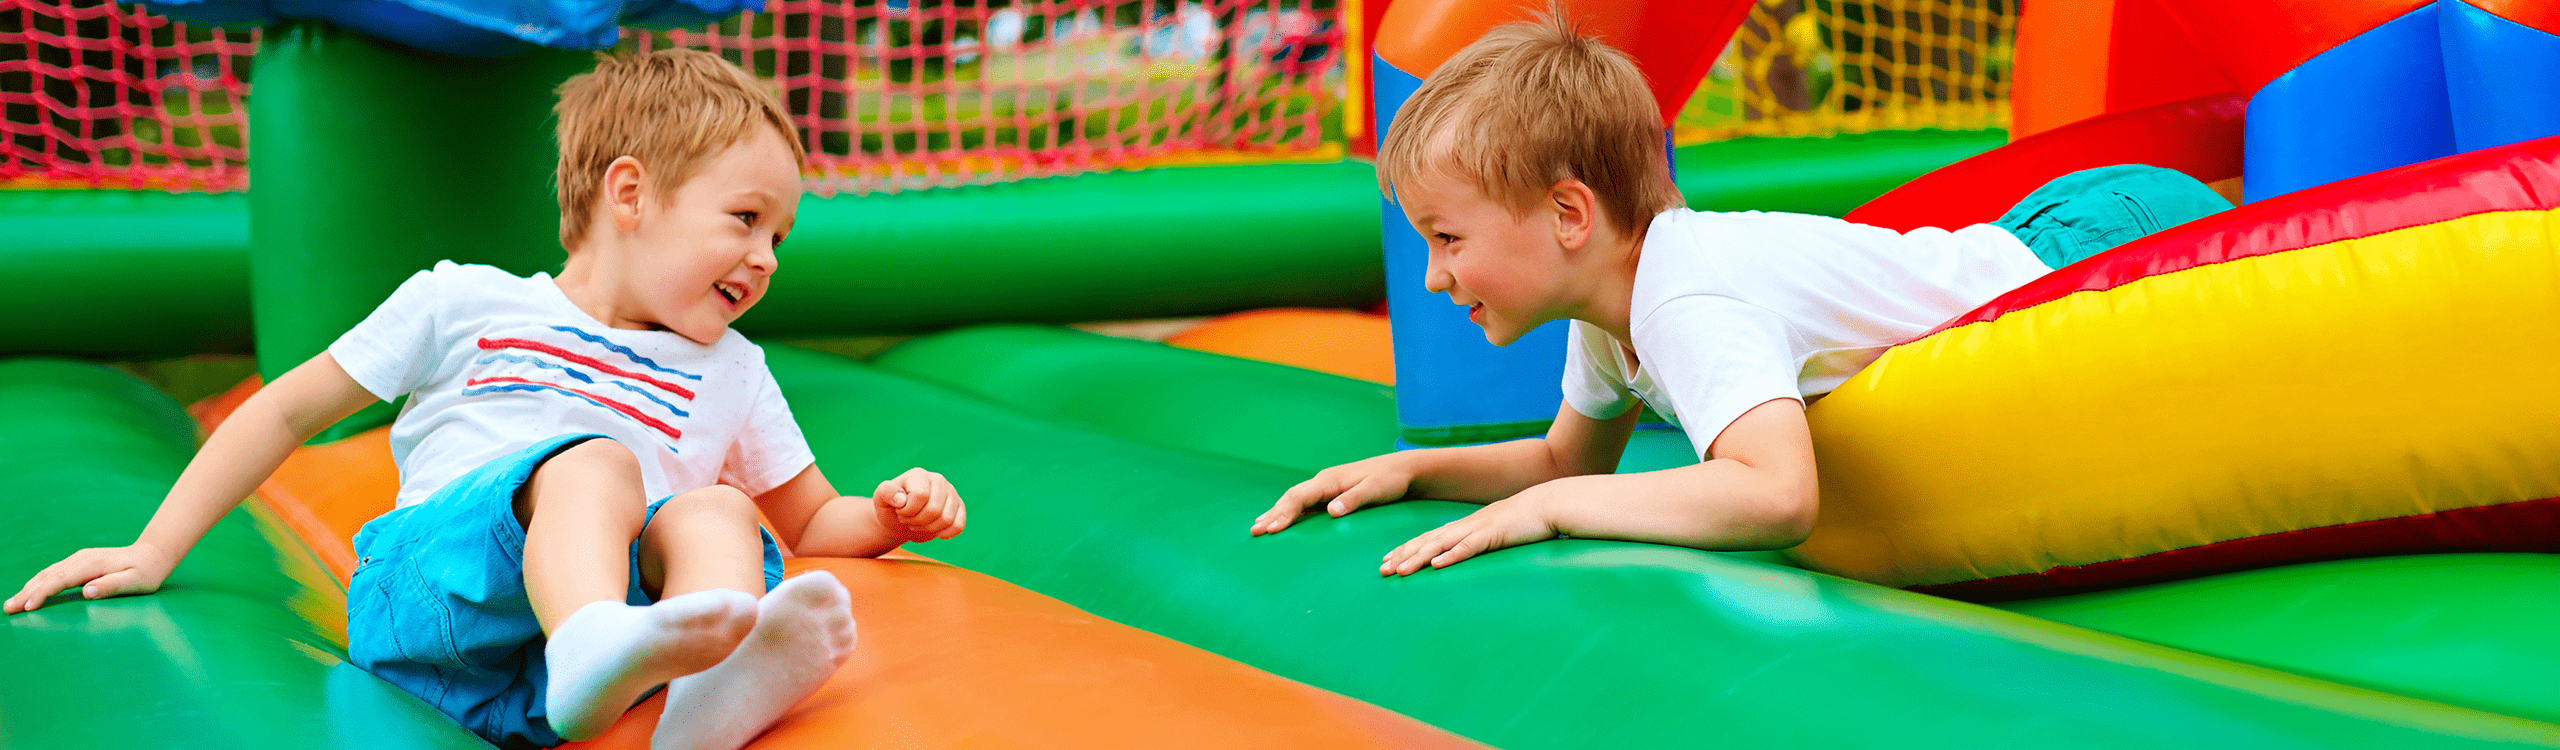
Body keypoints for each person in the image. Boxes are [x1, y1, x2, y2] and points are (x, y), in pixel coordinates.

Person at [4, 49, 969, 750]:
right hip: (437, 612)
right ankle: (595, 641)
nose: (765, 258)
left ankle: (699, 696)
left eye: (779, 238)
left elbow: (811, 519)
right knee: (594, 463)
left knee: (717, 509)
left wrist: (890, 515)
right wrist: (153, 549)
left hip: (567, 680)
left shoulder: (735, 370)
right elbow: (284, 411)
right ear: (629, 194)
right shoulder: (465, 301)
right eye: (746, 219)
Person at [1247, 13, 2227, 576]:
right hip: (2039, 231)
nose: (1432, 275)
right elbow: (1560, 457)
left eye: (1448, 238)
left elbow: (1776, 495)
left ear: (1569, 214)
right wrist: (1413, 471)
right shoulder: (1609, 307)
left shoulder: (1684, 299)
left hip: (2102, 248)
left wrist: (1553, 511)